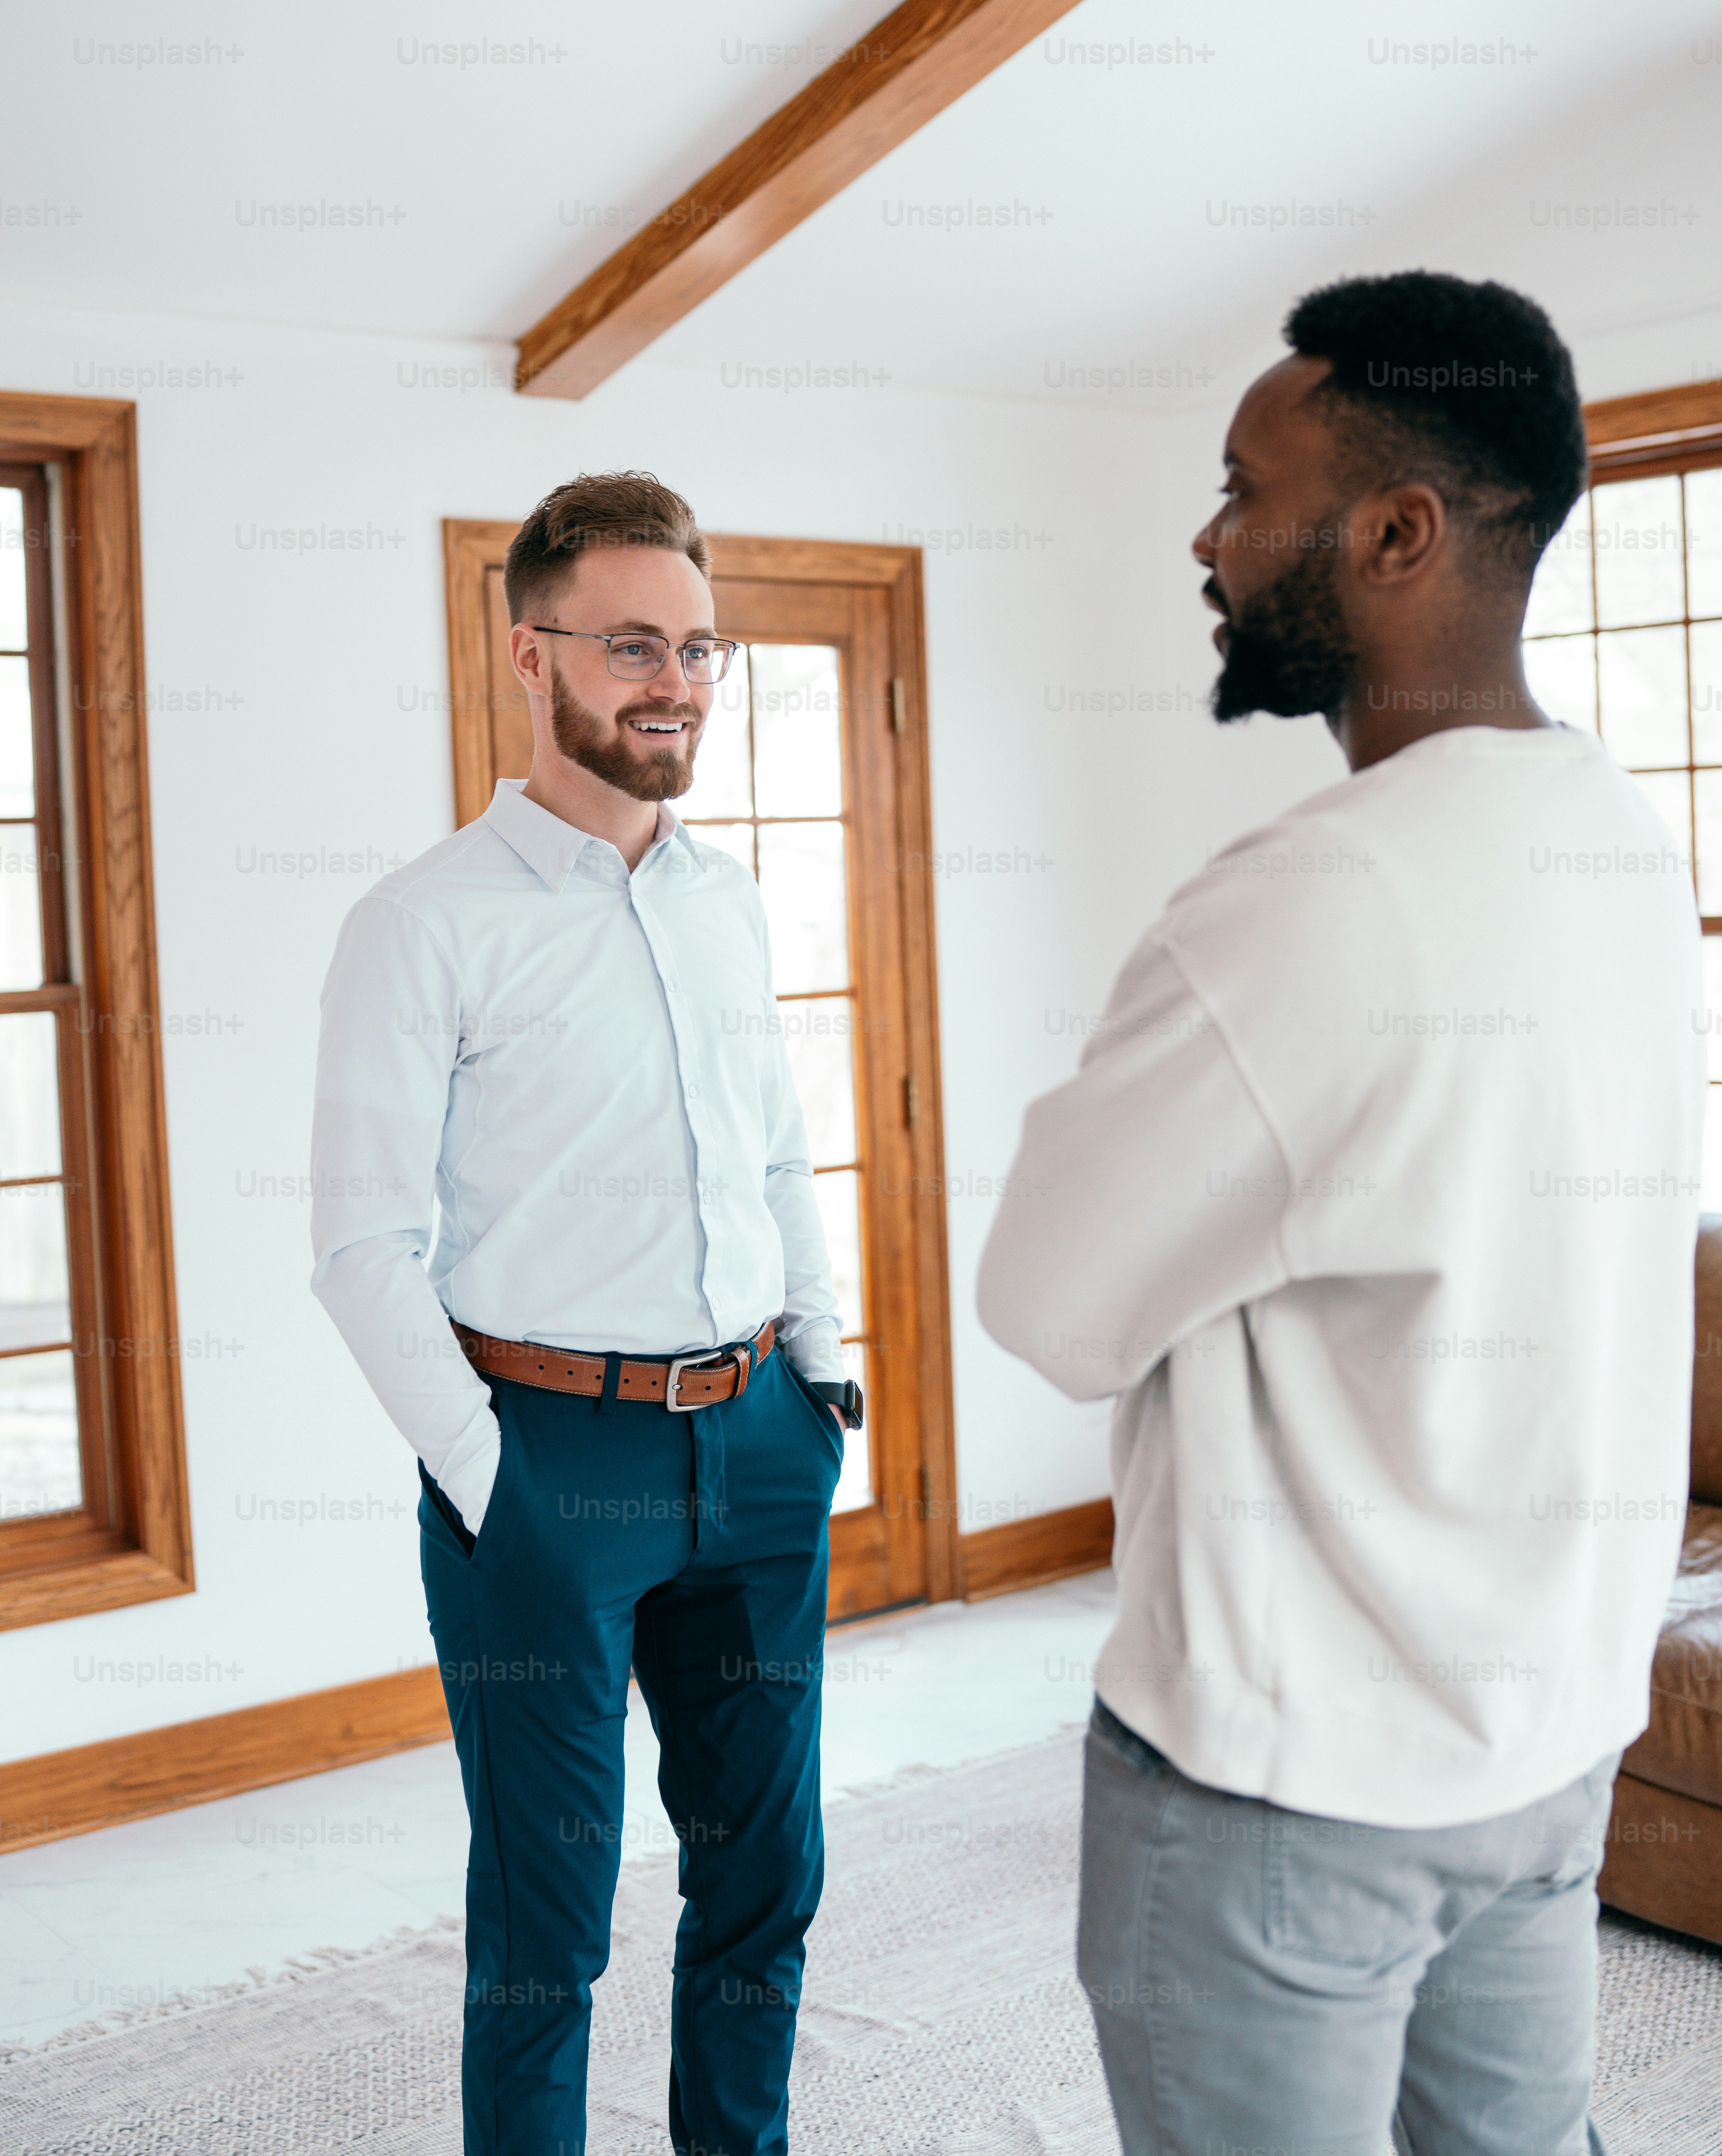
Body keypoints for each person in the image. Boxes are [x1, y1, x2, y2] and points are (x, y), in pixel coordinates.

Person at [978, 273, 1703, 2154]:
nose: (1206, 541)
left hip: (1284, 1788)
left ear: (1397, 532)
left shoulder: (1304, 898)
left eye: (1242, 487)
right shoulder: (1622, 842)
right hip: (1548, 1738)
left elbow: (1047, 1306)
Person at [309, 471, 860, 2156]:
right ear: (528, 652)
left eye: (699, 646)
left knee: (766, 1879)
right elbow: (358, 1244)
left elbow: (775, 1149)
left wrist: (824, 1382)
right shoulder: (422, 924)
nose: (674, 679)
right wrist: (491, 1481)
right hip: (545, 1459)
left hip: (758, 1446)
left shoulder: (724, 898)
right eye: (632, 642)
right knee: (547, 1931)